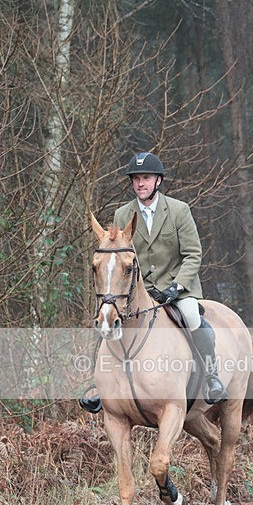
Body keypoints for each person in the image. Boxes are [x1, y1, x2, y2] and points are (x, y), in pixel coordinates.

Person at [80, 152, 228, 412]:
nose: (140, 184)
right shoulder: (122, 214)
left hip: (177, 290)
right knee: (107, 321)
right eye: (136, 179)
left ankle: (211, 377)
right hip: (137, 292)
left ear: (158, 181)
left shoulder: (179, 210)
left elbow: (193, 254)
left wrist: (178, 286)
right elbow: (117, 257)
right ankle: (99, 386)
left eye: (145, 178)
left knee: (193, 316)